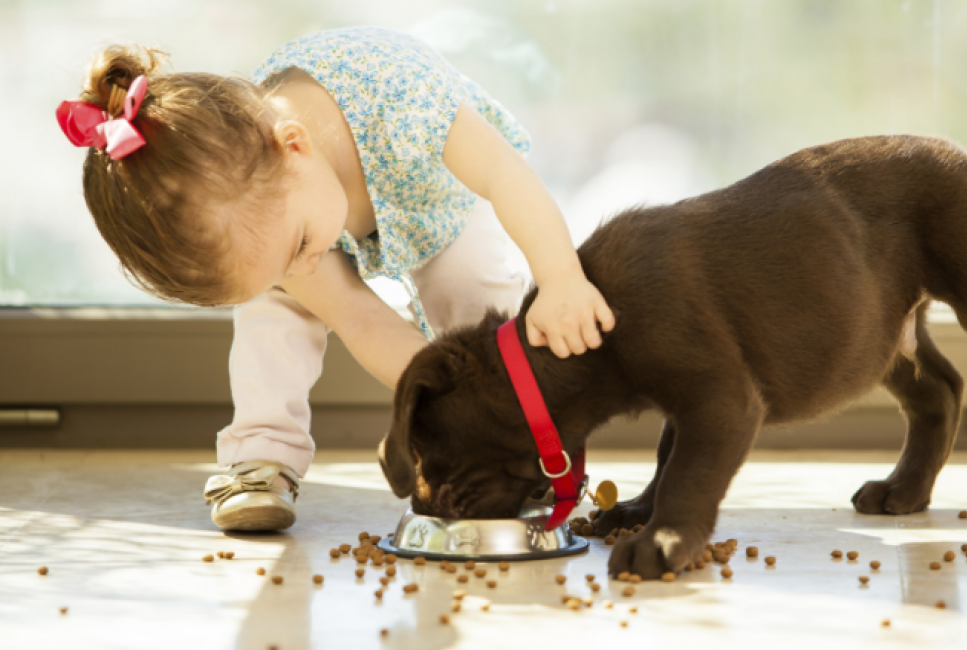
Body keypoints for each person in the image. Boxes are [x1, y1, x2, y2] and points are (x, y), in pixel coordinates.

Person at [58, 26, 615, 532]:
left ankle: (503, 442)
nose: (303, 270)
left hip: (436, 198)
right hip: (306, 209)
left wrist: (561, 276)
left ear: (294, 145)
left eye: (298, 249)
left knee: (473, 283)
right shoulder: (274, 218)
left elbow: (503, 174)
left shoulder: (402, 99)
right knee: (273, 313)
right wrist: (432, 399)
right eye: (281, 267)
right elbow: (358, 315)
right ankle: (261, 455)